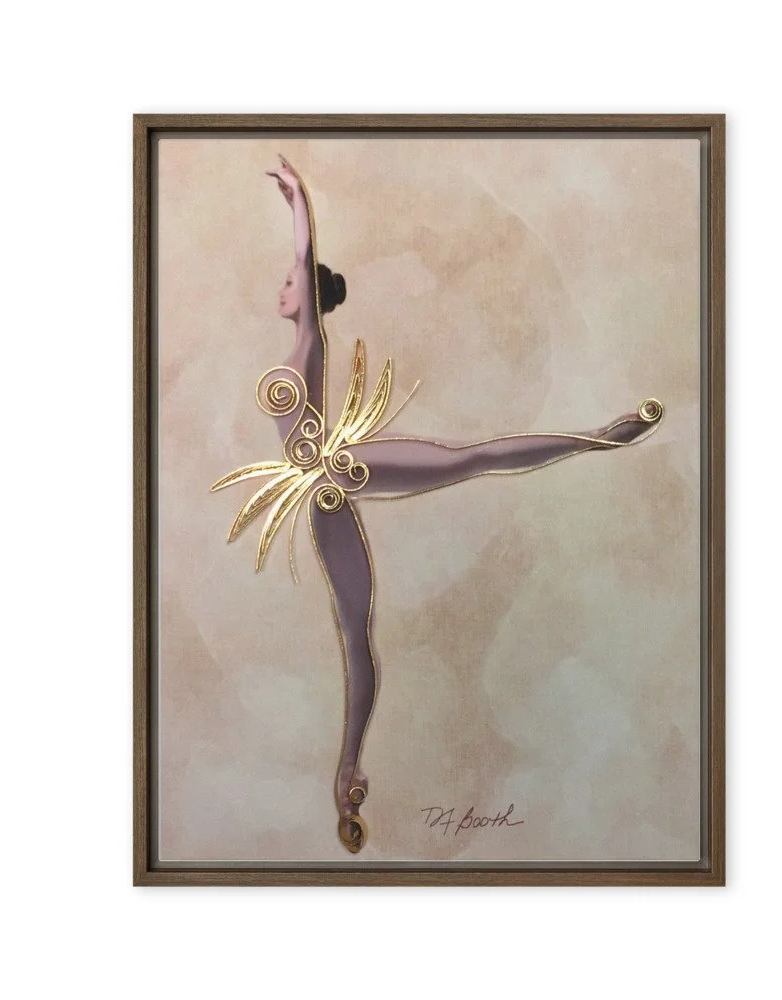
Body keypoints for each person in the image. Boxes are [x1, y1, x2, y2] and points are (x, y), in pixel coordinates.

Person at [239, 155, 663, 852]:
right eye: (285, 281)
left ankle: (603, 437)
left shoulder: (308, 341)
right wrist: (296, 205)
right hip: (324, 499)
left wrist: (298, 202)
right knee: (355, 633)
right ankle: (347, 772)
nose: (281, 289)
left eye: (289, 283)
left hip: (344, 468)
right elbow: (303, 269)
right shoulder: (297, 347)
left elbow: (306, 260)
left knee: (471, 456)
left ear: (307, 296)